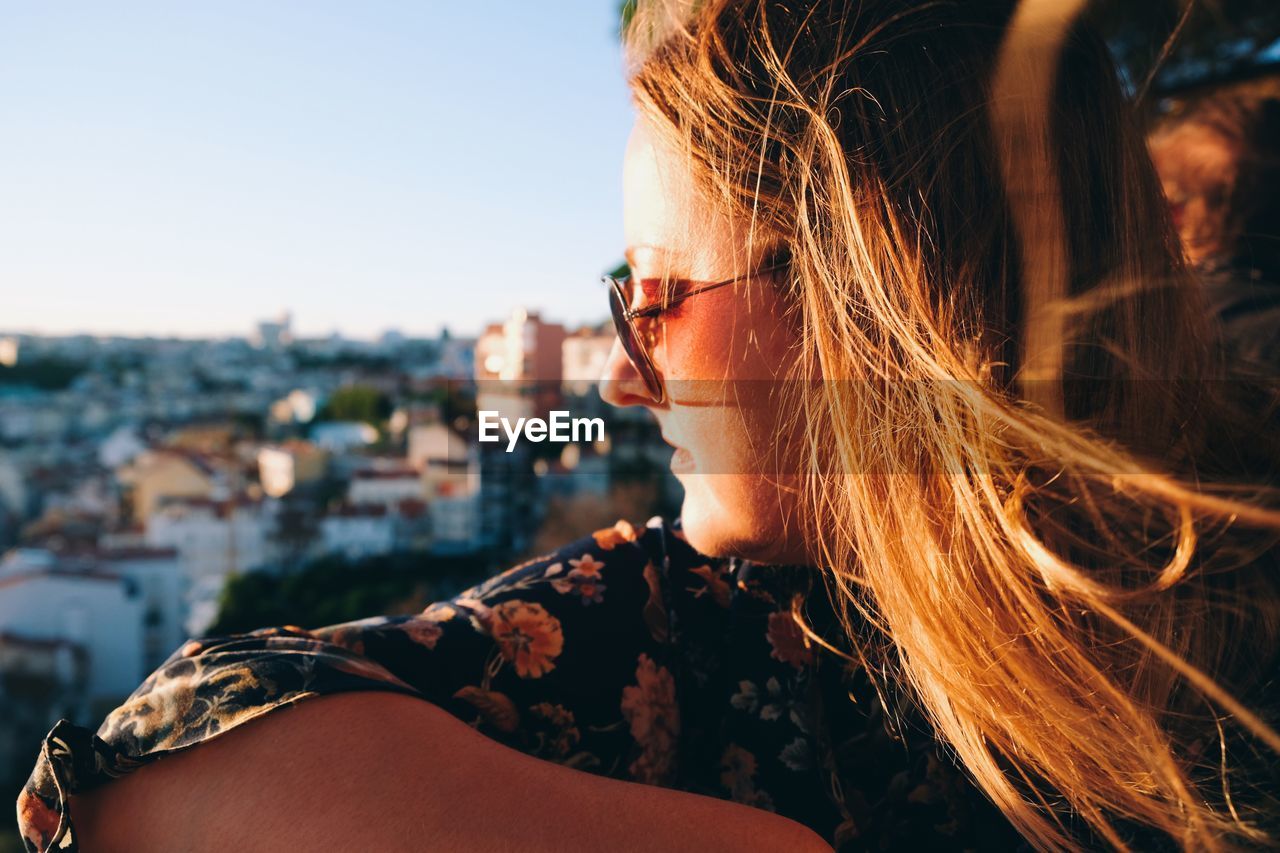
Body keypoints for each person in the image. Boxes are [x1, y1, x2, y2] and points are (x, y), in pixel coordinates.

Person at [17, 1, 1280, 850]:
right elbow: (160, 765)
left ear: (880, 299)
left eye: (657, 296)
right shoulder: (711, 613)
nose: (624, 379)